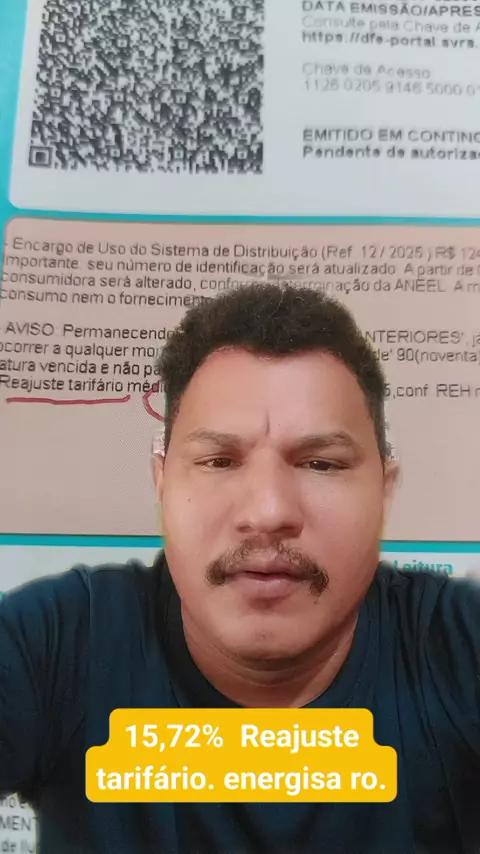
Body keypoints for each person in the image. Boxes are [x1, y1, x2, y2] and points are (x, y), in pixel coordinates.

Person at [1, 283, 479, 854]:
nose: (268, 511)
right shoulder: (54, 644)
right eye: (219, 461)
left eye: (321, 464)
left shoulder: (459, 648)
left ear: (385, 489)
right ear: (162, 483)